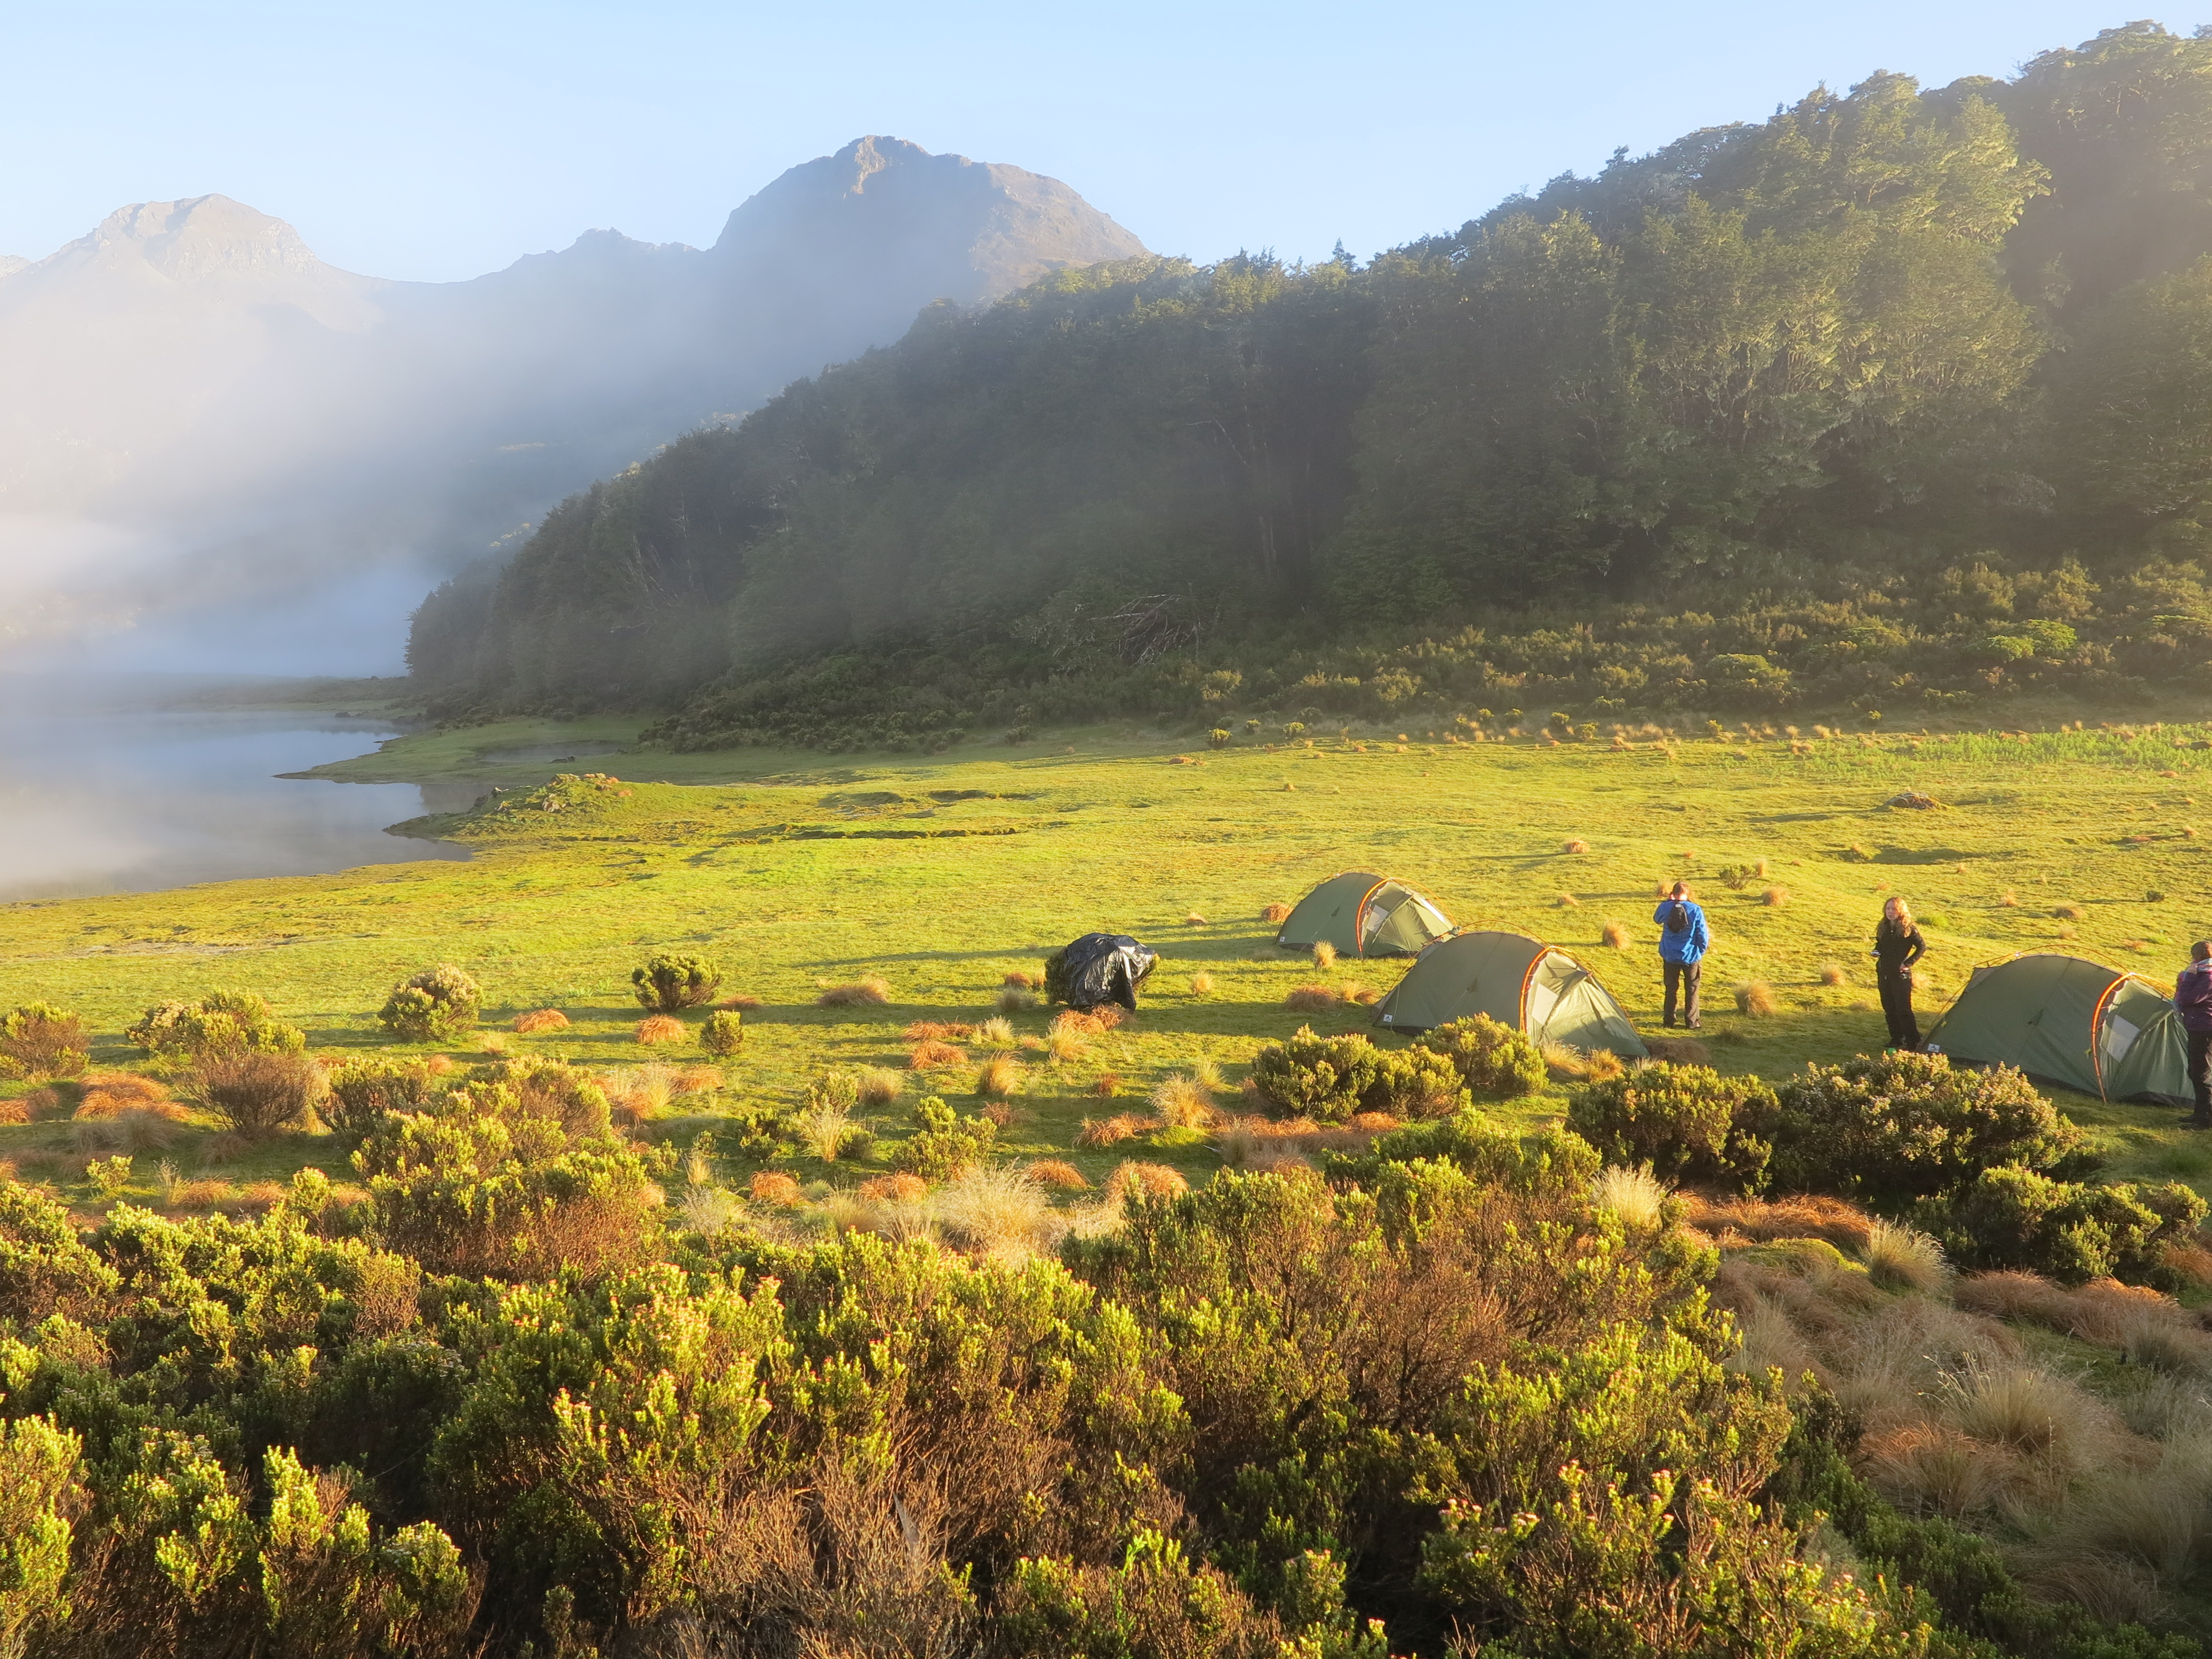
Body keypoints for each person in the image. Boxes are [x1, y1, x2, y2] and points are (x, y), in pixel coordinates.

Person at [1872, 897, 1927, 1052]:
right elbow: (1881, 945)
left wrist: (1908, 964)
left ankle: (1913, 1041)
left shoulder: (1909, 928)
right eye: (1888, 909)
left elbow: (1922, 947)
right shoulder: (1883, 926)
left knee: (1903, 1010)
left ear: (1901, 911)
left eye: (1894, 909)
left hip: (1901, 976)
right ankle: (1896, 1038)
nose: (1890, 912)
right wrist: (1876, 951)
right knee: (1889, 1008)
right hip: (1884, 973)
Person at [1653, 880, 1709, 1029]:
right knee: (1692, 989)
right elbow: (1702, 934)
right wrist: (1700, 951)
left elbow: (1657, 919)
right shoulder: (1695, 910)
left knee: (1671, 989)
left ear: (1673, 893)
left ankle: (1669, 1021)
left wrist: (1668, 902)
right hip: (1691, 956)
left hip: (1670, 955)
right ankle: (1692, 1022)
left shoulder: (1665, 907)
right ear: (1687, 893)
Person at [2175, 940, 2212, 1130]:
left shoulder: (2208, 977)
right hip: (2198, 1026)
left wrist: (2189, 977)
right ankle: (2200, 1113)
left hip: (2204, 1028)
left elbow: (2189, 999)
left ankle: (2205, 1119)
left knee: (2201, 1073)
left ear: (2197, 957)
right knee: (2196, 1072)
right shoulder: (2204, 975)